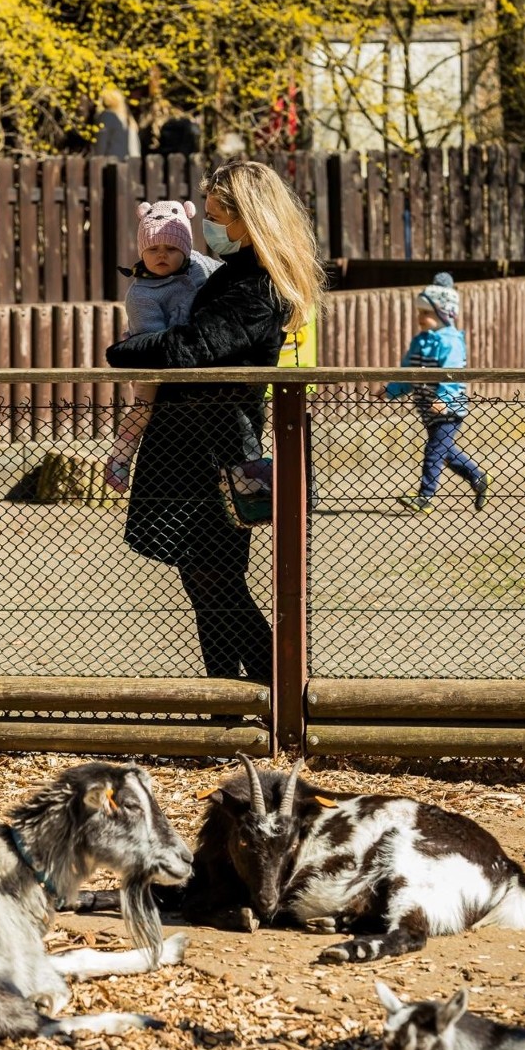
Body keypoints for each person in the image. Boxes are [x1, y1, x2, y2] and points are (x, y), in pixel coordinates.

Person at [105, 159, 324, 684]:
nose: (212, 228)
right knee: (206, 581)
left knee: (215, 580)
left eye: (218, 216)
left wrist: (127, 351)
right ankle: (228, 692)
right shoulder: (238, 272)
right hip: (191, 442)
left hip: (212, 447)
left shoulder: (254, 284)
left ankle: (279, 686)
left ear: (247, 216)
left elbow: (195, 349)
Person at [105, 200, 220, 492]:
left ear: (186, 249)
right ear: (142, 252)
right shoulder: (142, 294)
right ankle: (120, 456)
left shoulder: (201, 265)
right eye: (153, 250)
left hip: (197, 348)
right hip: (154, 356)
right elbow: (152, 340)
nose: (162, 256)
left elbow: (225, 278)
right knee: (144, 405)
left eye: (171, 249)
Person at [387, 272, 490, 515]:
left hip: (448, 409)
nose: (419, 317)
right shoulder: (420, 341)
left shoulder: (451, 341)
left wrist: (444, 399)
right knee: (446, 453)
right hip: (428, 410)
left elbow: (452, 375)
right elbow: (408, 371)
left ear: (444, 313)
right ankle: (478, 477)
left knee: (434, 451)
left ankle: (425, 497)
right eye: (419, 312)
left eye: (426, 312)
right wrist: (392, 389)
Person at [92, 87, 141, 159]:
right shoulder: (126, 118)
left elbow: (101, 144)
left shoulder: (106, 116)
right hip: (124, 161)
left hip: (109, 162)